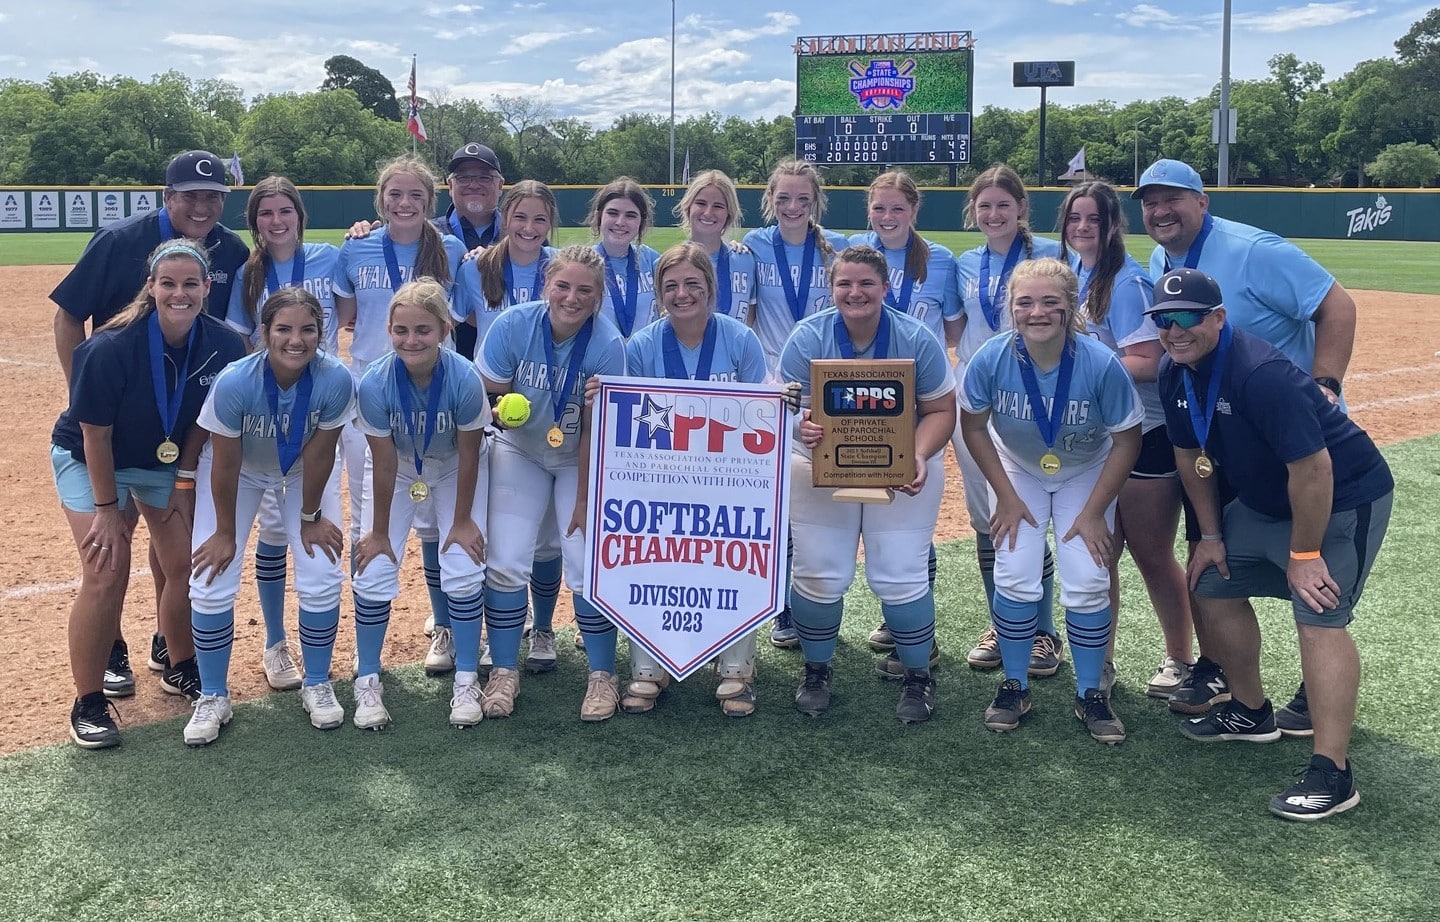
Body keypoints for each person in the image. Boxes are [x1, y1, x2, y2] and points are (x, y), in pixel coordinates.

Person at [1149, 267, 1392, 821]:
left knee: (1318, 612)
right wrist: (1209, 535)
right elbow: (1191, 458)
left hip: (1339, 498)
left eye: (1187, 316)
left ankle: (1333, 770)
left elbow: (1313, 470)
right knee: (1212, 586)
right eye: (1163, 320)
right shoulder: (1175, 370)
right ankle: (1250, 711)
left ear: (1218, 318)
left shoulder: (1260, 372)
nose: (1174, 329)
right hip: (1264, 501)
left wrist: (1304, 555)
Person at [1135, 158, 1358, 729]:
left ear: (1201, 201)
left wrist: (1326, 383)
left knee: (1311, 570)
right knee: (1212, 559)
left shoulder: (1254, 249)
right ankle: (1227, 678)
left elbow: (1337, 304)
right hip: (1218, 438)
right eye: (1149, 202)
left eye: (1173, 199)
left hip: (1287, 437)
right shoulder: (1164, 259)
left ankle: (1315, 689)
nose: (1160, 211)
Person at [50, 150, 248, 693]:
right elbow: (70, 314)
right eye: (190, 195)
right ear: (168, 198)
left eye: (213, 197)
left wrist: (186, 471)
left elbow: (214, 355)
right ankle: (108, 654)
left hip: (170, 436)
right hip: (105, 427)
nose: (202, 206)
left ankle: (171, 644)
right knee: (109, 556)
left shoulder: (230, 251)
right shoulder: (119, 241)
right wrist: (85, 395)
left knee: (176, 553)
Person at [959, 258, 1142, 743]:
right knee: (1015, 570)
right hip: (1019, 469)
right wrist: (1005, 495)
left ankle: (1090, 692)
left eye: (1050, 302)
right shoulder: (992, 357)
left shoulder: (1100, 361)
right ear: (1011, 308)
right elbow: (973, 426)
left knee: (1086, 577)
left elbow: (1127, 440)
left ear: (1070, 308)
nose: (1036, 311)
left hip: (1086, 471)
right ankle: (1015, 684)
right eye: (1025, 302)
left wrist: (1093, 512)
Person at [780, 246, 956, 724]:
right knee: (819, 571)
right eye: (844, 284)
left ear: (885, 288)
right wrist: (802, 425)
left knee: (899, 574)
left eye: (865, 284)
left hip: (898, 467)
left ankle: (918, 675)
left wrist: (917, 454)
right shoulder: (809, 335)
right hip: (818, 463)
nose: (854, 293)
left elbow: (942, 411)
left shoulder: (915, 337)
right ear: (832, 287)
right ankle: (816, 668)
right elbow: (783, 408)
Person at [185, 288, 354, 746]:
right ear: (264, 332)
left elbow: (321, 454)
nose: (295, 340)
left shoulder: (335, 378)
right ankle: (214, 694)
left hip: (302, 470)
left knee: (321, 568)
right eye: (283, 329)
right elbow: (223, 464)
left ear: (321, 333)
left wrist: (310, 515)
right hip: (240, 473)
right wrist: (225, 533)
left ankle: (317, 682)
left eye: (307, 329)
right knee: (211, 574)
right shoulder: (236, 381)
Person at [611, 243, 769, 717]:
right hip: (661, 483)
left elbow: (760, 416)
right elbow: (629, 424)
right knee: (653, 561)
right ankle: (648, 666)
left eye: (693, 285)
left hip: (729, 483)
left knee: (734, 555)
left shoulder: (741, 341)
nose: (682, 294)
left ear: (711, 289)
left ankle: (737, 668)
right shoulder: (639, 346)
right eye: (671, 286)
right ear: (659, 294)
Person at [476, 246, 628, 721]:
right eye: (563, 285)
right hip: (520, 449)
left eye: (585, 289)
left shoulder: (607, 342)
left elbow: (600, 428)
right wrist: (500, 411)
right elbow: (487, 391)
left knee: (584, 559)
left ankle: (603, 676)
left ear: (599, 296)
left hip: (577, 458)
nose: (572, 297)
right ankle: (504, 670)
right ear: (546, 285)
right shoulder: (514, 325)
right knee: (506, 560)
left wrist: (583, 499)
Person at [1057, 181, 1194, 698]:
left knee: (1150, 551)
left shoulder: (1127, 282)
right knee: (1103, 551)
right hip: (1098, 436)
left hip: (1145, 430)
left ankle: (1180, 658)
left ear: (1113, 225)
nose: (1083, 228)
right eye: (1075, 219)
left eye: (1094, 219)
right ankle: (1102, 659)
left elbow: (1148, 360)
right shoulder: (1073, 273)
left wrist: (1085, 366)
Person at [334, 156, 467, 660]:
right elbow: (347, 317)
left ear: (430, 202)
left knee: (435, 520)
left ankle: (445, 627)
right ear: (380, 199)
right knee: (368, 514)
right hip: (373, 390)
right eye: (395, 194)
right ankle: (364, 643)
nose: (405, 203)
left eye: (416, 195)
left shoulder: (451, 248)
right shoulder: (356, 246)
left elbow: (471, 309)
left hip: (437, 393)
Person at [352, 280, 491, 729]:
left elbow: (470, 452)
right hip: (400, 468)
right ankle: (367, 680)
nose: (411, 340)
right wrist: (377, 532)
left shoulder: (465, 377)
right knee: (372, 568)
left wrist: (464, 519)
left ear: (445, 330)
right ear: (389, 331)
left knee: (464, 565)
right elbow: (384, 460)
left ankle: (467, 678)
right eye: (401, 330)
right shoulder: (375, 382)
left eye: (423, 330)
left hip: (452, 464)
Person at [224, 176, 342, 692]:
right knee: (272, 532)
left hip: (320, 399)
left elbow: (352, 313)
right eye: (265, 213)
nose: (276, 221)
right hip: (267, 409)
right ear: (254, 222)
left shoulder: (331, 256)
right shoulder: (248, 274)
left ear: (299, 215)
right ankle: (275, 643)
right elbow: (242, 342)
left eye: (284, 211)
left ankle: (315, 651)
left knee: (314, 528)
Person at [952, 165, 1064, 680]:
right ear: (972, 212)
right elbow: (958, 325)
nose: (993, 214)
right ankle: (1003, 623)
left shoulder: (1050, 256)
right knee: (987, 517)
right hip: (977, 399)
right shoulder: (964, 262)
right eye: (984, 206)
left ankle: (1041, 631)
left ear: (1021, 208)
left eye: (1003, 204)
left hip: (1036, 399)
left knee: (1030, 510)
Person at [850, 170, 960, 677]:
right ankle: (898, 621)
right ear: (868, 212)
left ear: (914, 211)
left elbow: (951, 328)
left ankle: (913, 628)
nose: (888, 217)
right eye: (879, 209)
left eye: (897, 208)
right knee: (874, 519)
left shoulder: (940, 260)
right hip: (856, 408)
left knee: (911, 525)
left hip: (916, 408)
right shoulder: (850, 250)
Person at [741, 158, 849, 649]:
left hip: (826, 384)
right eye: (783, 197)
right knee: (776, 498)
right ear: (770, 198)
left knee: (816, 499)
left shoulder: (837, 249)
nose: (792, 207)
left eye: (802, 198)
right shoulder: (753, 247)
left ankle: (814, 597)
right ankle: (780, 604)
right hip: (772, 383)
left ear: (815, 201)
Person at [441, 142, 506, 360]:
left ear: (500, 185)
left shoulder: (522, 235)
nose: (474, 185)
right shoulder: (428, 234)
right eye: (463, 177)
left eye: (484, 177)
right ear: (450, 185)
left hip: (506, 358)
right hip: (440, 357)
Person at [674, 170, 757, 326]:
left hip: (736, 350)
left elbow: (751, 319)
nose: (708, 212)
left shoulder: (745, 260)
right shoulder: (670, 263)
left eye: (718, 206)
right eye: (701, 203)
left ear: (729, 213)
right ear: (688, 207)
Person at [586, 177, 662, 342]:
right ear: (599, 216)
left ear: (642, 221)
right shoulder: (583, 263)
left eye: (630, 215)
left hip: (645, 362)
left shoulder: (652, 260)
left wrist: (731, 246)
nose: (620, 222)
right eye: (613, 213)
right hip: (599, 363)